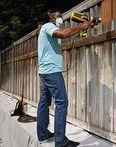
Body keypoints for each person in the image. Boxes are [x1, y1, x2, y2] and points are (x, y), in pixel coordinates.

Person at [37, 8, 92, 147]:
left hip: (44, 72)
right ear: (50, 16)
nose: (61, 17)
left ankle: (43, 135)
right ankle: (60, 142)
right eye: (58, 15)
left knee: (44, 102)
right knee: (62, 103)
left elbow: (63, 35)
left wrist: (79, 31)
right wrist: (81, 26)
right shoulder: (49, 26)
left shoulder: (47, 29)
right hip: (52, 72)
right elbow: (62, 34)